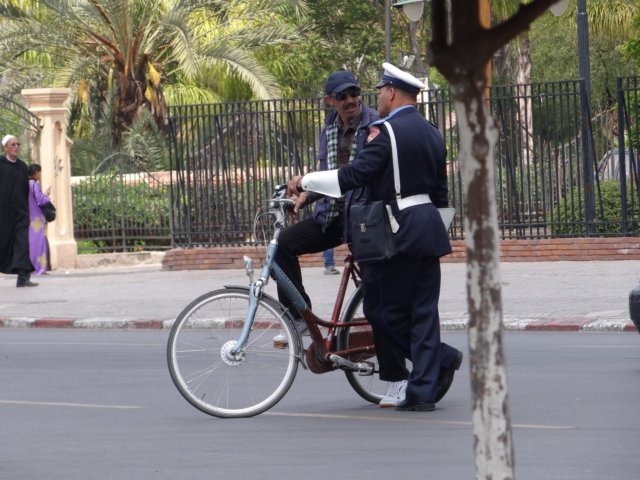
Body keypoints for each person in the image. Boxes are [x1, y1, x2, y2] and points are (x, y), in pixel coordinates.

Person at [290, 63, 463, 411]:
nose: (377, 96)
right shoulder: (432, 131)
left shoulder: (384, 132)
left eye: (382, 89)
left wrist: (307, 181)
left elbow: (353, 176)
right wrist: (436, 229)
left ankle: (442, 358)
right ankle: (423, 393)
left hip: (398, 229)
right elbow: (441, 192)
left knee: (380, 310)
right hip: (429, 228)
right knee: (424, 312)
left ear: (393, 93)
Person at [274, 71, 411, 407]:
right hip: (331, 219)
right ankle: (299, 319)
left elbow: (359, 174)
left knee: (378, 303)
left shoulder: (375, 124)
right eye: (342, 96)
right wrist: (306, 195)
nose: (350, 100)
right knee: (281, 247)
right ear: (329, 100)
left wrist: (306, 183)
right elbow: (329, 179)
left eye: (354, 93)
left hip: (365, 220)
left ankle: (398, 380)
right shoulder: (329, 130)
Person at [0, 134, 38, 287]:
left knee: (23, 243)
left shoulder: (23, 167)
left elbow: (25, 190)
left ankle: (23, 278)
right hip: (4, 214)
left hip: (21, 213)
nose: (16, 147)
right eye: (13, 144)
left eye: (17, 144)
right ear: (5, 148)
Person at [27, 164, 51, 275]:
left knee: (32, 244)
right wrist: (47, 196)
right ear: (36, 172)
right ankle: (40, 269)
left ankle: (32, 268)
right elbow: (41, 200)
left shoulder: (26, 184)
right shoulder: (35, 185)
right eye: (40, 172)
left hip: (30, 220)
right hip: (38, 219)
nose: (40, 174)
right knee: (40, 244)